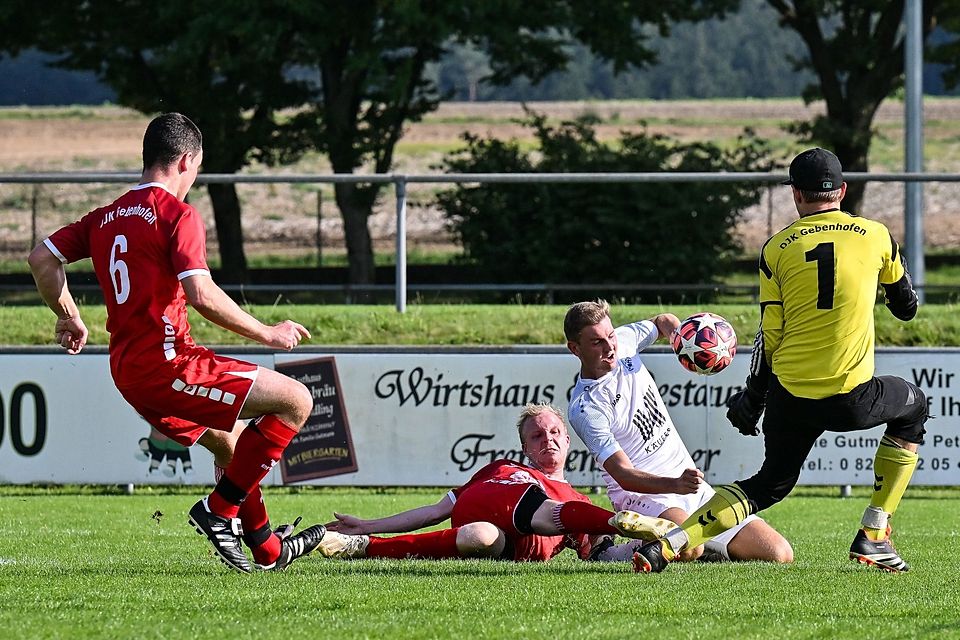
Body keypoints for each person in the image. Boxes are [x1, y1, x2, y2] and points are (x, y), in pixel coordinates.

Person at [27, 112, 326, 573]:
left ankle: (267, 549)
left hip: (127, 370)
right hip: (170, 367)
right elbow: (201, 295)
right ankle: (218, 511)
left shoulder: (106, 217)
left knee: (231, 444)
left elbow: (42, 257)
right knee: (296, 400)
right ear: (187, 159)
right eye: (198, 168)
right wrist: (268, 332)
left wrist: (69, 316)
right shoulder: (177, 216)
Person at [632, 147, 926, 574]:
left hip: (790, 395)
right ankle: (875, 533)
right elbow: (907, 308)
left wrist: (753, 397)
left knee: (768, 485)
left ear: (795, 195)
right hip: (851, 397)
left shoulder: (775, 249)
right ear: (842, 190)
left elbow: (770, 336)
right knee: (913, 407)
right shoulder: (876, 235)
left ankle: (670, 545)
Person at [564, 300, 794, 565]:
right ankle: (606, 552)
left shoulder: (624, 342)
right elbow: (624, 475)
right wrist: (674, 485)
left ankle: (702, 547)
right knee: (688, 547)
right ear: (575, 348)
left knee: (779, 554)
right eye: (596, 343)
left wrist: (684, 340)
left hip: (691, 489)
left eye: (610, 335)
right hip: (644, 497)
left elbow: (664, 320)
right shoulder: (586, 408)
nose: (609, 347)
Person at [314, 403, 673, 562]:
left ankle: (362, 547)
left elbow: (601, 553)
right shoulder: (500, 469)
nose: (546, 439)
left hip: (503, 541)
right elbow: (436, 511)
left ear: (567, 440)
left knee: (479, 536)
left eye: (554, 432)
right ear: (524, 448)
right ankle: (363, 538)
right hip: (486, 505)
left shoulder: (578, 500)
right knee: (519, 505)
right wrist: (368, 523)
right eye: (536, 436)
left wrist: (663, 548)